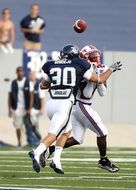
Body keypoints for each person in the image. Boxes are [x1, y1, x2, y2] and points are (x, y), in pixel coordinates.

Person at [28, 44, 122, 174]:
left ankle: (51, 152)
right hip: (80, 104)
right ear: (82, 56)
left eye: (95, 55)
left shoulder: (84, 66)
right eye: (91, 56)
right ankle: (103, 160)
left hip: (70, 105)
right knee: (102, 131)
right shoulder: (81, 66)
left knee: (76, 138)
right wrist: (107, 71)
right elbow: (96, 79)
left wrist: (99, 75)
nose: (95, 58)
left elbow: (102, 92)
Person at [8, 66, 34, 146]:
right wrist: (9, 109)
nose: (20, 73)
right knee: (18, 126)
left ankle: (30, 142)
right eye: (18, 71)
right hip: (17, 108)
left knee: (28, 125)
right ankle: (19, 142)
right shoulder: (12, 83)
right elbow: (9, 96)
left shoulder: (28, 82)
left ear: (23, 72)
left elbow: (31, 96)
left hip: (26, 108)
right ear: (16, 72)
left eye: (21, 71)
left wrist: (30, 108)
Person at [29, 70, 45, 140]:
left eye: (32, 75)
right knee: (30, 124)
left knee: (35, 124)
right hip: (29, 108)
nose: (31, 76)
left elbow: (42, 98)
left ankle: (36, 140)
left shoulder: (38, 85)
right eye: (30, 75)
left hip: (36, 108)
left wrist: (42, 108)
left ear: (35, 76)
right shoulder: (28, 84)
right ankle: (31, 140)